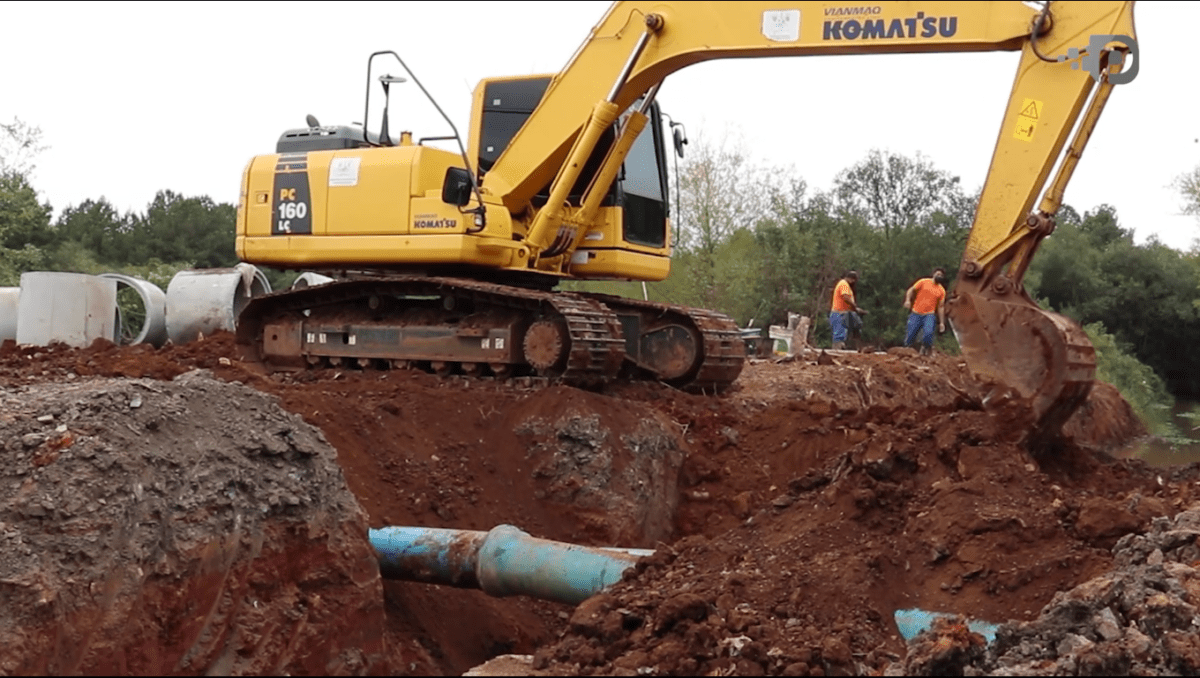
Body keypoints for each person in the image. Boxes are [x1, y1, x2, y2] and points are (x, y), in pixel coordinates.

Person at [903, 267, 948, 355]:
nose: (939, 276)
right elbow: (911, 290)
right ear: (933, 274)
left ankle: (926, 349)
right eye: (938, 274)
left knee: (928, 333)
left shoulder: (941, 290)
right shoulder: (923, 282)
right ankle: (907, 352)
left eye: (941, 275)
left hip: (929, 315)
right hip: (916, 313)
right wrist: (907, 300)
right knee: (910, 336)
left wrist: (942, 322)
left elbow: (941, 307)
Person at [829, 270, 866, 350]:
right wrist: (854, 306)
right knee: (838, 333)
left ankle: (842, 348)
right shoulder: (844, 284)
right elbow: (845, 296)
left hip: (843, 312)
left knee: (843, 332)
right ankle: (837, 350)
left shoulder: (844, 284)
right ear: (852, 279)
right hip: (839, 312)